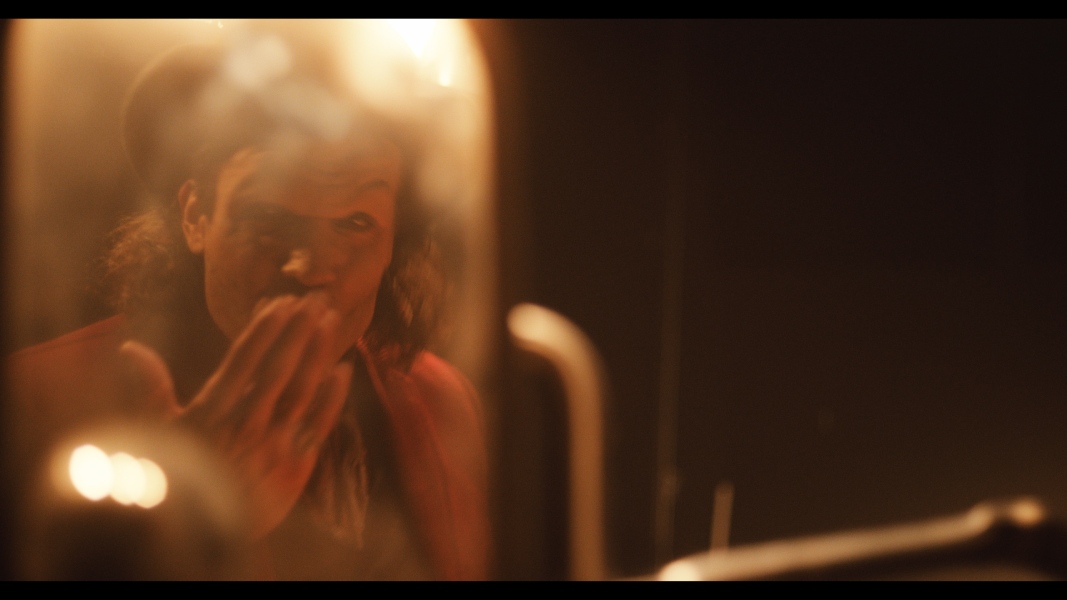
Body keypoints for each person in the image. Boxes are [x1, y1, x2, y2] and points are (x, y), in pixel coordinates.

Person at [7, 31, 489, 580]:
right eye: (266, 216)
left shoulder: (438, 401)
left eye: (356, 222)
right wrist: (192, 517)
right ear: (196, 216)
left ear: (392, 243)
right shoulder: (40, 398)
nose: (312, 266)